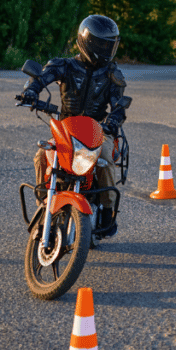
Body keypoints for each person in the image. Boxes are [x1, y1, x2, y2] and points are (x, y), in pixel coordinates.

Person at [19, 14, 128, 238]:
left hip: (98, 129)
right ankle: (44, 200)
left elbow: (118, 104)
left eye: (110, 45)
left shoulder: (111, 74)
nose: (107, 49)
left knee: (106, 161)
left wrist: (115, 119)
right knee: (41, 155)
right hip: (67, 127)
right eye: (102, 44)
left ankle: (107, 212)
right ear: (88, 41)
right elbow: (42, 77)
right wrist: (31, 91)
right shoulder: (65, 65)